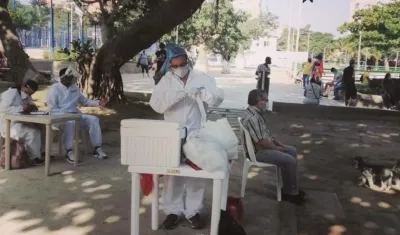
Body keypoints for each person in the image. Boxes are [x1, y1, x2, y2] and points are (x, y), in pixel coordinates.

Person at [149, 44, 224, 230]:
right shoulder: (166, 81)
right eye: (175, 66)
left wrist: (203, 93)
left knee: (196, 174)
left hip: (196, 133)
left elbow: (218, 98)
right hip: (172, 133)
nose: (179, 69)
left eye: (182, 64)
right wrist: (178, 95)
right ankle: (172, 211)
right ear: (169, 65)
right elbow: (156, 105)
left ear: (187, 61)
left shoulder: (202, 78)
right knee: (172, 175)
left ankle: (193, 211)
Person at [242, 89, 305, 205]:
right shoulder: (253, 118)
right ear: (258, 101)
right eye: (265, 100)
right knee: (289, 159)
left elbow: (265, 134)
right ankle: (290, 193)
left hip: (263, 147)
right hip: (258, 152)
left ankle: (291, 188)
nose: (266, 102)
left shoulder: (255, 113)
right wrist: (276, 148)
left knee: (292, 150)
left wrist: (278, 144)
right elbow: (261, 141)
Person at [47, 67, 109, 163]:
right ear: (63, 77)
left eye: (72, 77)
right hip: (60, 118)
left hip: (76, 115)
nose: (72, 79)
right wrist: (67, 115)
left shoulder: (74, 88)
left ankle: (97, 148)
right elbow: (52, 109)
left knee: (94, 119)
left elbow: (84, 101)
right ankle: (69, 151)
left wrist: (98, 103)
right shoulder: (54, 89)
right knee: (70, 121)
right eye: (69, 77)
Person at [0, 79, 45, 165]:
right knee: (33, 132)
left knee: (42, 127)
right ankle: (34, 158)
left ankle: (41, 151)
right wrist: (21, 108)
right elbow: (2, 108)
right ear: (23, 87)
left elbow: (31, 106)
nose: (29, 95)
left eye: (31, 93)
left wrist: (33, 108)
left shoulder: (27, 97)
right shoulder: (11, 93)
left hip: (20, 121)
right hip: (8, 124)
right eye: (28, 92)